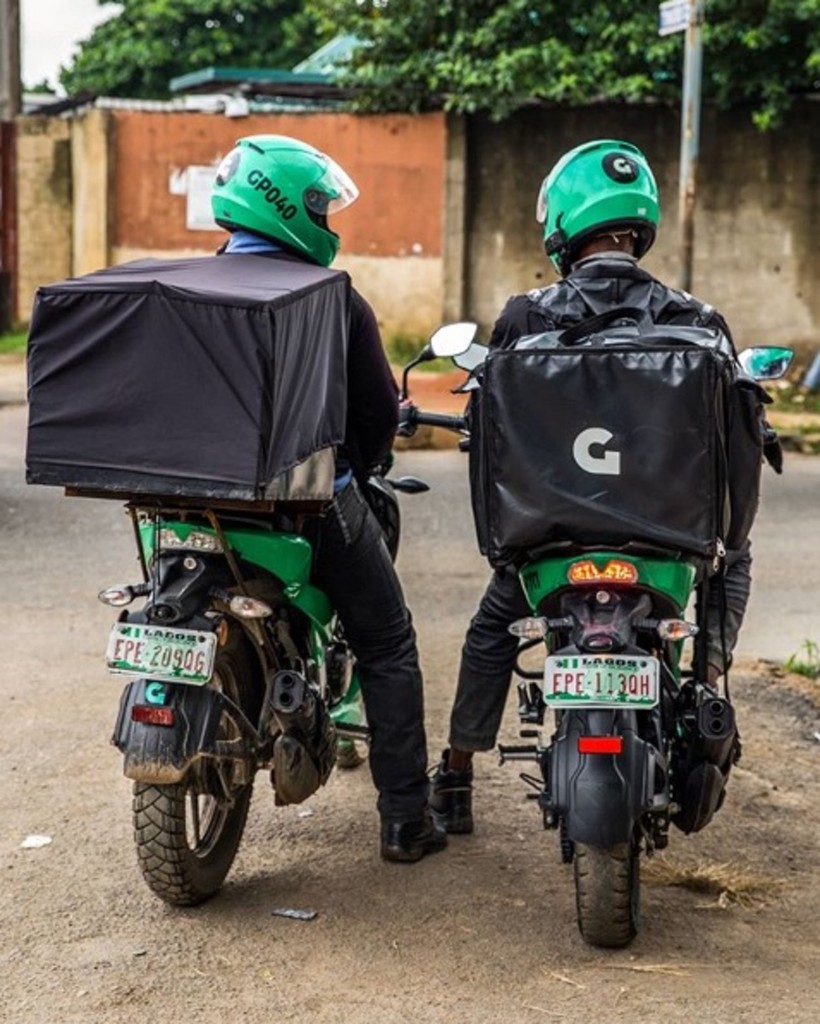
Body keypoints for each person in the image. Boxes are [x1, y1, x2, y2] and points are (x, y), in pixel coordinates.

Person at [429, 138, 781, 834]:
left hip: (549, 540)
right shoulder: (698, 320)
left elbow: (487, 428)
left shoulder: (526, 316)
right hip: (669, 541)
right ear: (639, 218)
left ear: (562, 221)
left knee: (492, 631)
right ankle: (706, 683)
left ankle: (456, 776)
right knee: (731, 567)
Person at [210, 134, 446, 863]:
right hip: (303, 508)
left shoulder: (187, 287)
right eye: (319, 204)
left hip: (188, 506)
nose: (327, 216)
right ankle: (406, 818)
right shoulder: (337, 302)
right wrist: (367, 462)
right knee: (387, 638)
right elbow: (374, 412)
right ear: (288, 208)